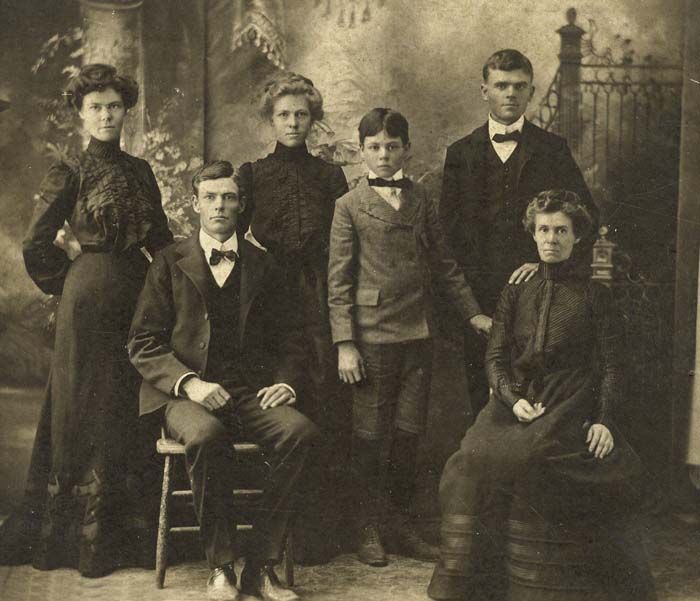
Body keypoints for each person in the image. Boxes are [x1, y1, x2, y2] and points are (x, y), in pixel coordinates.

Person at [428, 190, 656, 601]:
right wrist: (511, 397)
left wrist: (604, 419)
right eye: (544, 230)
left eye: (561, 231)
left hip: (571, 397)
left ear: (577, 238)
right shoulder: (517, 289)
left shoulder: (594, 292)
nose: (551, 239)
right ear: (533, 234)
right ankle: (477, 584)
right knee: (470, 457)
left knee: (533, 457)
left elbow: (612, 364)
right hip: (515, 395)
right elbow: (496, 355)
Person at [0, 64, 173, 577]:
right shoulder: (69, 170)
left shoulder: (141, 171)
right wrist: (69, 279)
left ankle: (129, 537)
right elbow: (36, 243)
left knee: (128, 403)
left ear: (126, 111)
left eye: (114, 106)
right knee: (83, 406)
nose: (105, 115)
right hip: (87, 301)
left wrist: (173, 284)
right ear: (81, 113)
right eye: (95, 107)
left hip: (137, 300)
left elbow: (160, 238)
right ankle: (79, 543)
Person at [128, 160, 317, 601]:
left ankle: (261, 564)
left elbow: (293, 336)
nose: (220, 205)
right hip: (184, 396)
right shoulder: (167, 262)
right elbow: (143, 343)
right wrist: (190, 384)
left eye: (229, 197)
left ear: (241, 204)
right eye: (210, 197)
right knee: (207, 436)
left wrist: (287, 381)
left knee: (300, 433)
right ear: (194, 204)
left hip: (248, 391)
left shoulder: (264, 265)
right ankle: (220, 567)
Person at [327, 108, 490, 567]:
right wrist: (344, 343)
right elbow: (338, 280)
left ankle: (400, 525)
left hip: (418, 333)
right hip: (372, 336)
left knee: (408, 434)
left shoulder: (421, 199)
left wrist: (474, 314)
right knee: (370, 435)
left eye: (392, 146)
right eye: (374, 147)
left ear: (406, 150)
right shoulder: (348, 206)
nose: (383, 155)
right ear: (361, 152)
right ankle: (368, 528)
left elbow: (445, 266)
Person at [439, 49, 598, 419]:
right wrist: (469, 310)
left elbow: (588, 216)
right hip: (481, 300)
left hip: (541, 293)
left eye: (519, 86)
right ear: (485, 91)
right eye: (501, 85)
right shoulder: (461, 154)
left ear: (532, 91)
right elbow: (446, 238)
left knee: (537, 397)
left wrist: (543, 261)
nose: (510, 94)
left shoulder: (552, 150)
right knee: (484, 399)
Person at [237, 72, 350, 561]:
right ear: (271, 119)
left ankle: (315, 536)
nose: (293, 122)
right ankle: (267, 534)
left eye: (301, 114)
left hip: (319, 297)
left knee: (322, 398)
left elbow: (344, 244)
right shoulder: (252, 174)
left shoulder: (330, 176)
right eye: (283, 114)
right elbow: (235, 245)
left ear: (313, 118)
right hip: (267, 301)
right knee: (274, 399)